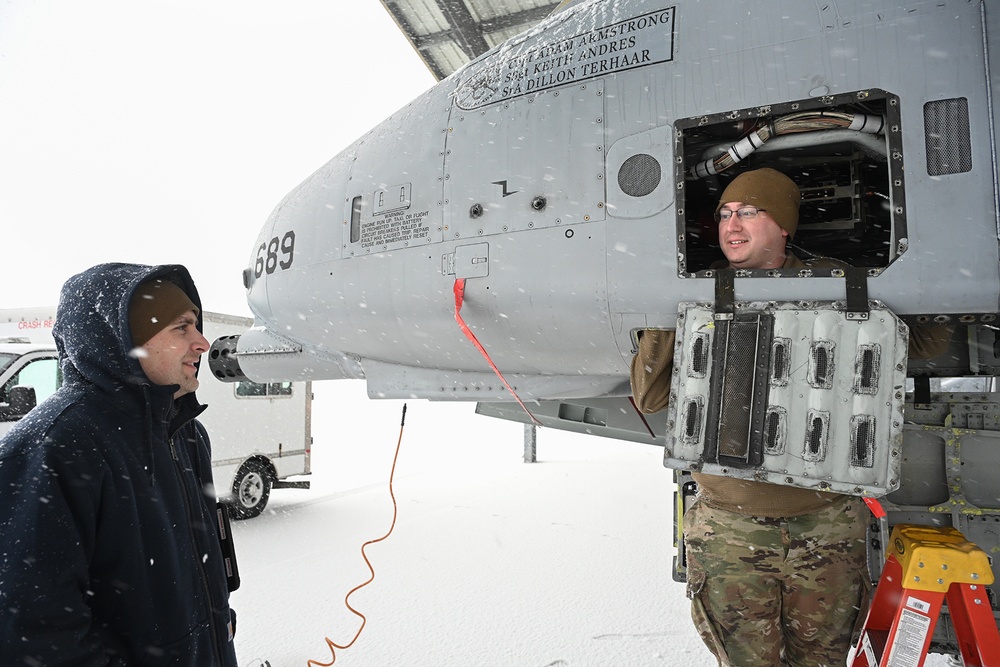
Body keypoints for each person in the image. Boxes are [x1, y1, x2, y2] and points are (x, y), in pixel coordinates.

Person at [630, 168, 949, 666]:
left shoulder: (828, 277)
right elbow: (649, 395)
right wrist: (661, 310)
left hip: (824, 524)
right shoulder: (698, 290)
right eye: (725, 215)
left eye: (749, 213)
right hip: (729, 529)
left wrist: (883, 289)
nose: (732, 226)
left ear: (783, 227)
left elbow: (927, 340)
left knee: (822, 660)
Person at [0, 263, 239, 666]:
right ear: (125, 340)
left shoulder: (186, 433)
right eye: (182, 328)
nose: (202, 343)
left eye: (196, 326)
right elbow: (31, 634)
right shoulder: (55, 445)